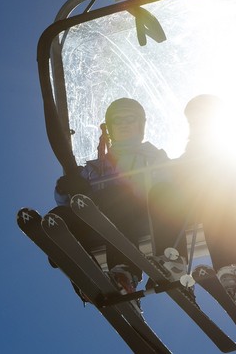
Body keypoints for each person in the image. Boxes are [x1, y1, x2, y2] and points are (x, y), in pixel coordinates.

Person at [53, 97, 169, 297]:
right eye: (118, 120)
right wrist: (66, 188)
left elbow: (168, 183)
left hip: (142, 215)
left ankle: (125, 272)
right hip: (101, 218)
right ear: (110, 128)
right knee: (61, 215)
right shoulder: (95, 166)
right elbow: (74, 202)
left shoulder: (152, 156)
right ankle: (86, 275)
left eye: (130, 119)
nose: (124, 124)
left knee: (117, 195)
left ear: (140, 125)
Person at [149, 94, 236, 311]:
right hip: (200, 202)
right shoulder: (191, 152)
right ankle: (173, 260)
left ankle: (228, 270)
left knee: (215, 201)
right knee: (163, 192)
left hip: (228, 198)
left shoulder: (232, 145)